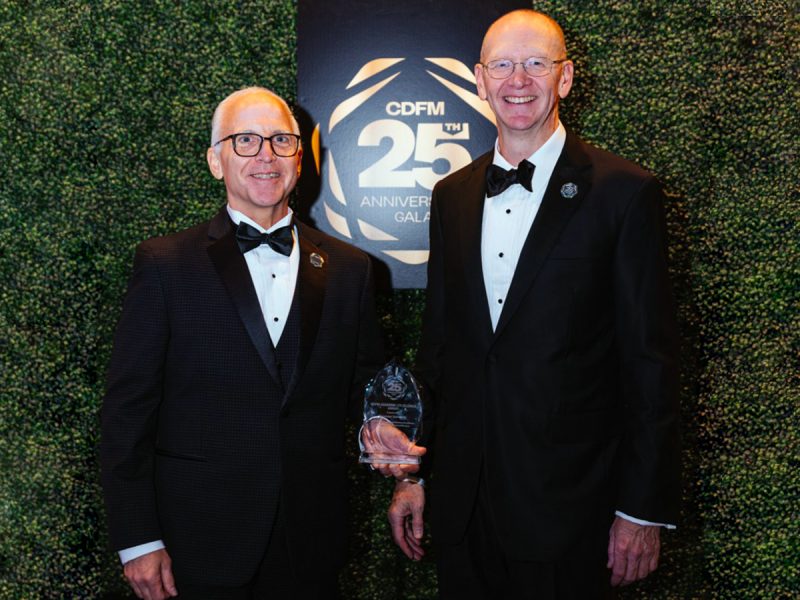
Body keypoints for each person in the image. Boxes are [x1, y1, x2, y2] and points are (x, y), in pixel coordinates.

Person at [386, 10, 681, 598]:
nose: (517, 80)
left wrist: (642, 510)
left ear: (564, 77)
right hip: (463, 510)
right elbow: (440, 348)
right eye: (502, 65)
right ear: (479, 78)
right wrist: (414, 475)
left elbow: (650, 362)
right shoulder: (451, 196)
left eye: (535, 64)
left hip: (572, 511)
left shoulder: (625, 192)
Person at [100, 86, 384, 599]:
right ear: (216, 160)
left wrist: (400, 451)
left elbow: (367, 393)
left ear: (302, 157)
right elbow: (127, 412)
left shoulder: (351, 270)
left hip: (311, 542)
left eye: (281, 140)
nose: (266, 156)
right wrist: (137, 538)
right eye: (246, 141)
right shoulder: (165, 266)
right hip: (198, 541)